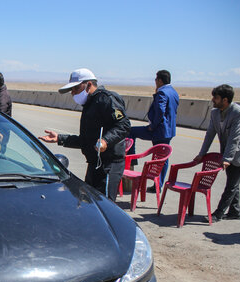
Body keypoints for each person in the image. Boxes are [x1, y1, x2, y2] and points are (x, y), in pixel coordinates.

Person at [38, 68, 130, 201]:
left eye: (75, 88)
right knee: (90, 201)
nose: (73, 93)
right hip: (94, 163)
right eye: (72, 90)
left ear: (88, 85)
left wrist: (106, 141)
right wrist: (60, 138)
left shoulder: (106, 99)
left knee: (105, 204)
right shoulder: (89, 104)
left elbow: (123, 125)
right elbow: (86, 141)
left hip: (109, 165)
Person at [194, 84, 240, 222]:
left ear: (225, 100)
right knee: (233, 182)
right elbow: (210, 134)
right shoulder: (215, 113)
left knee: (232, 185)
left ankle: (218, 214)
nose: (212, 100)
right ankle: (235, 212)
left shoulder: (238, 112)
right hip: (227, 152)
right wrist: (201, 153)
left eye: (216, 98)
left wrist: (227, 158)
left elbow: (235, 137)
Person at [128, 70, 179, 192]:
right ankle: (158, 184)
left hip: (159, 130)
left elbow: (160, 110)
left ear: (160, 80)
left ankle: (131, 159)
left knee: (131, 132)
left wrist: (153, 125)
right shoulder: (174, 92)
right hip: (169, 131)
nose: (155, 82)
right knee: (162, 157)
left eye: (156, 80)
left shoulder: (162, 92)